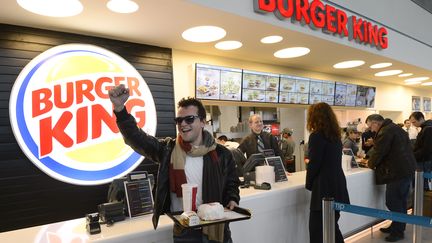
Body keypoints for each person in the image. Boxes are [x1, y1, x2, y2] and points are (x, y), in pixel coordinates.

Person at [108, 84, 240, 243]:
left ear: (203, 122)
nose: (183, 124)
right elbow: (136, 138)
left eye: (189, 119)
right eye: (179, 120)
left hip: (217, 229)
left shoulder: (222, 154)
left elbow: (232, 183)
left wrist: (233, 199)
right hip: (184, 231)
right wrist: (120, 109)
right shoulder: (167, 150)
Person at [365, 114, 415, 242]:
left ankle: (398, 231)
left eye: (371, 126)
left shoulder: (386, 131)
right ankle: (397, 226)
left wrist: (370, 163)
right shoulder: (393, 128)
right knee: (401, 201)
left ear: (376, 123)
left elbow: (380, 152)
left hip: (397, 171)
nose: (371, 130)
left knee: (393, 201)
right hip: (405, 169)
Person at [305, 102, 350, 243]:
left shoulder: (316, 136)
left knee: (317, 230)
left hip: (324, 189)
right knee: (332, 226)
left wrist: (309, 183)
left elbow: (314, 164)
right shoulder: (335, 136)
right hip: (338, 185)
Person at [409, 112, 432, 190]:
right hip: (423, 160)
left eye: (414, 122)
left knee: (422, 185)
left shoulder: (428, 129)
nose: (413, 124)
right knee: (422, 184)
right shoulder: (425, 128)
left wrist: (412, 155)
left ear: (421, 119)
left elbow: (426, 149)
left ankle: (422, 202)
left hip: (424, 161)